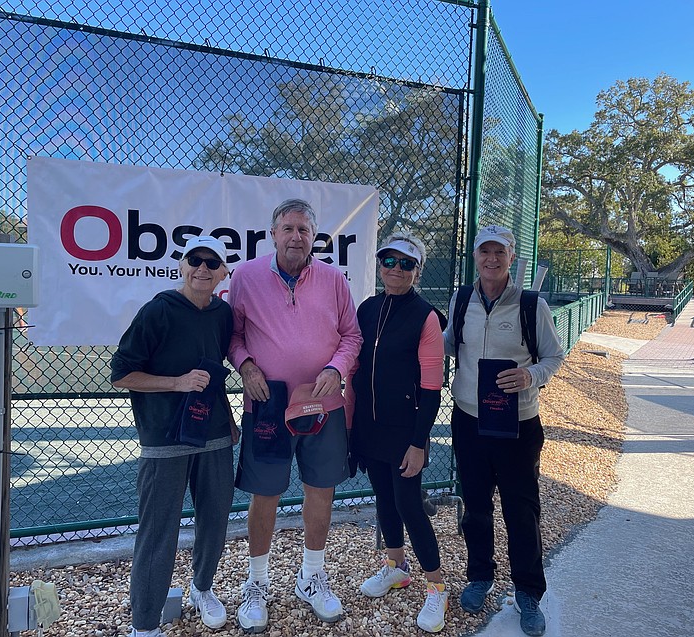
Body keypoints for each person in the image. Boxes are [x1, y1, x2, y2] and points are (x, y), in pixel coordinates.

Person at [227, 198, 362, 633]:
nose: (296, 237)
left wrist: (335, 368)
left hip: (323, 408)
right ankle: (257, 583)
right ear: (273, 233)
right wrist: (245, 365)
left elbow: (351, 335)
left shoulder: (334, 279)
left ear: (314, 236)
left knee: (320, 491)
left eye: (304, 230)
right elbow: (232, 336)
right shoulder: (245, 276)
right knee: (264, 494)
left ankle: (311, 576)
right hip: (268, 405)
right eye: (288, 228)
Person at [111, 235, 240, 637]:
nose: (202, 268)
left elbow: (213, 369)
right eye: (195, 260)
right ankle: (145, 625)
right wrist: (177, 382)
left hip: (214, 433)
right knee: (158, 530)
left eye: (211, 262)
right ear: (182, 267)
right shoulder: (159, 310)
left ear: (223, 272)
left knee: (216, 518)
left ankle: (203, 588)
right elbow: (122, 374)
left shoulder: (223, 314)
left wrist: (230, 418)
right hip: (164, 437)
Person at [443, 225, 565, 637]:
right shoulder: (461, 299)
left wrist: (530, 375)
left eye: (499, 252)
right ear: (474, 257)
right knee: (475, 507)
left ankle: (529, 593)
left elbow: (553, 355)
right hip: (469, 421)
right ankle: (480, 576)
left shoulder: (532, 306)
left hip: (517, 425)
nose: (491, 259)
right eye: (484, 252)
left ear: (511, 257)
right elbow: (447, 343)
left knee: (521, 510)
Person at [346, 231, 449, 633]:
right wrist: (353, 430)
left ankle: (436, 586)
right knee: (384, 499)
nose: (396, 269)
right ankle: (395, 566)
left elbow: (431, 387)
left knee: (408, 504)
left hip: (405, 430)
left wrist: (418, 442)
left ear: (417, 270)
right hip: (370, 428)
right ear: (380, 265)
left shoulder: (425, 316)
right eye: (389, 261)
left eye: (406, 264)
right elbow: (355, 372)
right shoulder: (367, 308)